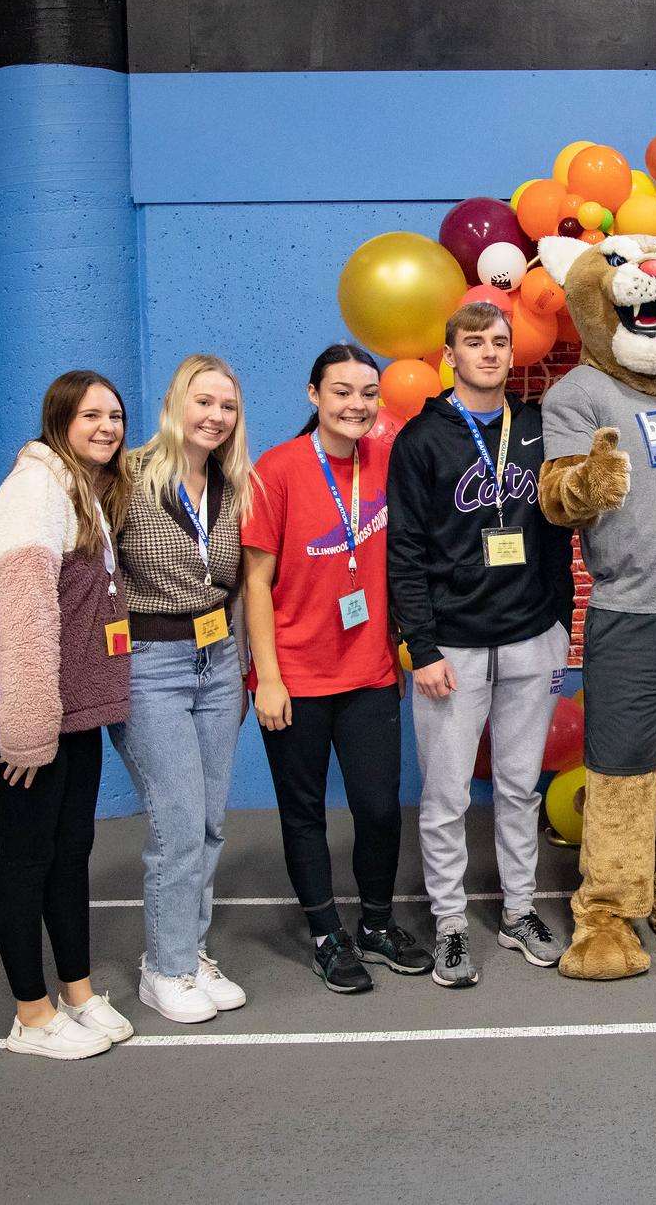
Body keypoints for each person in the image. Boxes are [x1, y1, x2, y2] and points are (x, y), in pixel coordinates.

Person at [388, 301, 574, 987]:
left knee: (521, 787)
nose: (490, 352)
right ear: (451, 353)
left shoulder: (535, 427)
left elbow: (557, 530)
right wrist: (422, 645)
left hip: (531, 636)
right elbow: (404, 550)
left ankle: (518, 910)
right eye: (476, 342)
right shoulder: (422, 439)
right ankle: (450, 924)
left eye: (499, 341)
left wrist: (561, 622)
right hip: (453, 647)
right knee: (445, 796)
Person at [0, 370, 136, 1059]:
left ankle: (77, 992)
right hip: (25, 721)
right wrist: (25, 733)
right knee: (27, 859)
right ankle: (30, 1017)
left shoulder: (77, 489)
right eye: (91, 414)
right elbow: (25, 622)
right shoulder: (34, 493)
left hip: (72, 713)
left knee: (71, 853)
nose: (107, 427)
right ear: (58, 419)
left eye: (115, 415)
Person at [242, 343, 431, 993]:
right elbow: (255, 582)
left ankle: (376, 923)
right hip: (293, 676)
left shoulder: (387, 460)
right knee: (304, 814)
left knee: (380, 808)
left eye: (367, 392)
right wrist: (266, 676)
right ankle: (327, 934)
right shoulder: (279, 468)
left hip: (370, 669)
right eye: (342, 391)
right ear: (313, 395)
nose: (356, 404)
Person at [109, 354, 251, 1022]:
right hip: (149, 663)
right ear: (174, 403)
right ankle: (162, 969)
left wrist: (246, 669)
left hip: (218, 661)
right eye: (203, 401)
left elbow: (243, 584)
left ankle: (191, 954)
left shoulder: (234, 483)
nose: (215, 416)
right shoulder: (127, 477)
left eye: (226, 406)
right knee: (176, 824)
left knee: (210, 819)